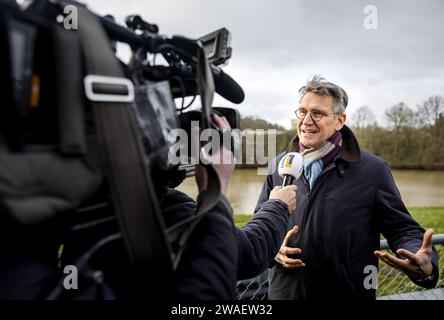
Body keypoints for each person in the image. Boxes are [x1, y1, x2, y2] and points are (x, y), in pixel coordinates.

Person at [255, 75, 439, 300]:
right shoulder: (278, 165)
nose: (306, 120)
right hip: (285, 294)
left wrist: (424, 264)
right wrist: (273, 250)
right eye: (302, 111)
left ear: (340, 121)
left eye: (318, 113)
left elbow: (403, 229)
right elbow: (261, 222)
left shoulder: (372, 170)